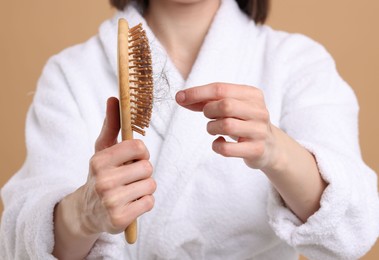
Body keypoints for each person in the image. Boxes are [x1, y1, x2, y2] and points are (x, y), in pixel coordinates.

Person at [1, 0, 378, 259]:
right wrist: (82, 216)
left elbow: (353, 229)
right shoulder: (70, 73)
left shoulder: (297, 62)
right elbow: (16, 246)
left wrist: (276, 152)